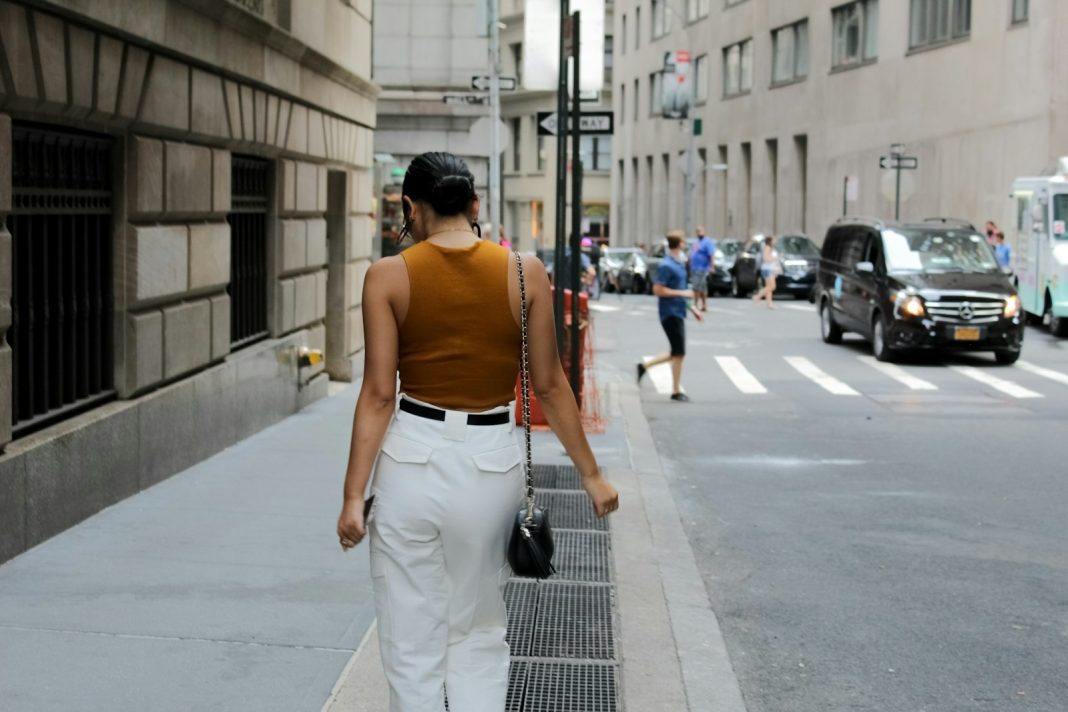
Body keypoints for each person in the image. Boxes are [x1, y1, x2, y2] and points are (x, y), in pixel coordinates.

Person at [336, 151, 618, 712]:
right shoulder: (525, 272)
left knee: (411, 640)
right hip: (491, 466)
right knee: (478, 631)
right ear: (474, 204)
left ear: (410, 207)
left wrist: (351, 497)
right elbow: (550, 385)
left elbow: (378, 394)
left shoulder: (387, 276)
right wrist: (592, 476)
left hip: (411, 463)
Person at [637, 230, 702, 402]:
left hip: (678, 311)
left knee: (677, 352)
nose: (685, 244)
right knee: (679, 352)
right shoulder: (667, 265)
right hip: (669, 313)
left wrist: (693, 309)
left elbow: (682, 291)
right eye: (683, 241)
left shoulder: (678, 263)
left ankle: (645, 367)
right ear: (679, 244)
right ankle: (675, 390)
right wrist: (682, 293)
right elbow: (658, 290)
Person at [688, 226, 717, 312]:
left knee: (697, 287)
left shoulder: (707, 242)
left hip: (702, 268)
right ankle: (703, 305)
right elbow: (693, 253)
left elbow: (711, 255)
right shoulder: (696, 242)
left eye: (700, 231)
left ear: (704, 231)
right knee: (702, 287)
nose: (699, 233)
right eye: (697, 231)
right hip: (694, 268)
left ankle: (696, 304)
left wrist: (712, 267)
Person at [752, 235, 780, 309]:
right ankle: (757, 296)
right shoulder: (767, 248)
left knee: (768, 287)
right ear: (770, 241)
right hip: (768, 269)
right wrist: (774, 258)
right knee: (772, 287)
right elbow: (765, 258)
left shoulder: (771, 248)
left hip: (770, 269)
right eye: (774, 240)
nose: (775, 241)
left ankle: (769, 304)